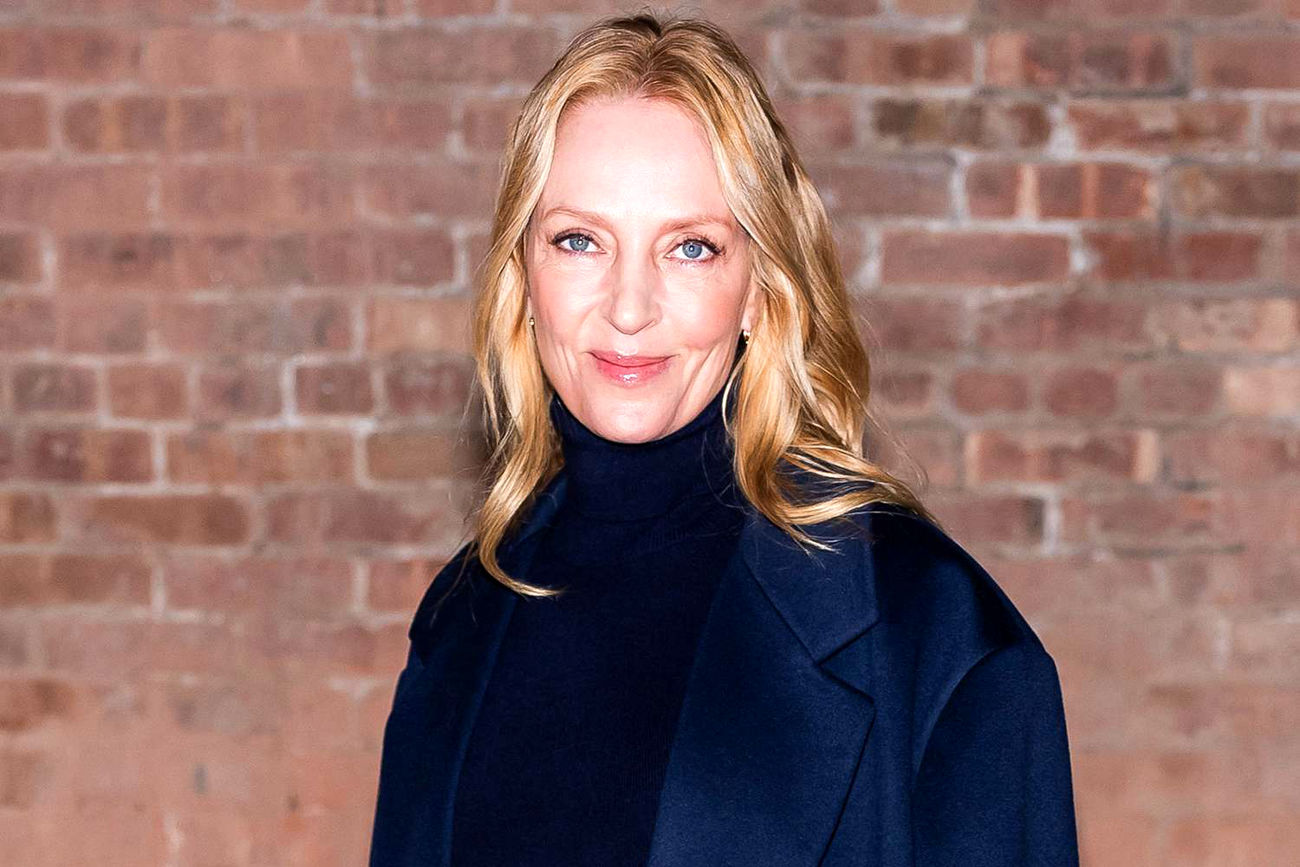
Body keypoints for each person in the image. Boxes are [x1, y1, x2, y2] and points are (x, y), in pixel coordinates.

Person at [368, 11, 1079, 867]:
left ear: (760, 288)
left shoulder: (936, 636)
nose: (629, 307)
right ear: (523, 273)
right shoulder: (459, 619)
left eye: (691, 248)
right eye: (579, 240)